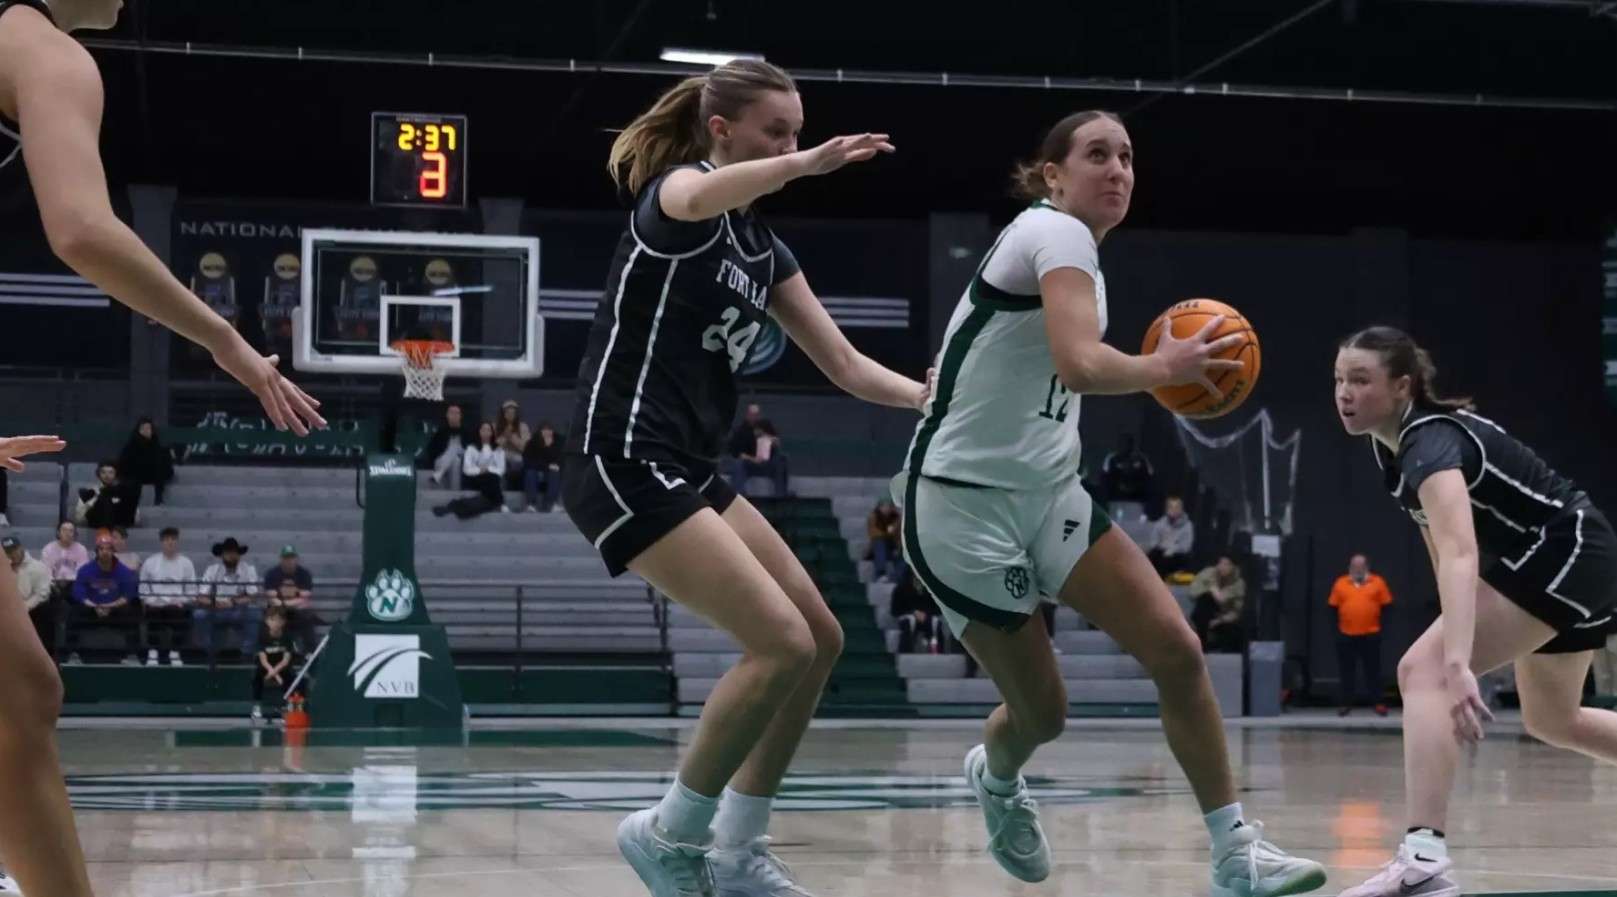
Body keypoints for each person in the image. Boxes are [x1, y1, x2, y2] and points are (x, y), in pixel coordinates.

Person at [895, 109, 1322, 894]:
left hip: (1047, 491)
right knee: (1043, 713)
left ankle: (1234, 852)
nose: (1117, 169)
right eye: (1097, 154)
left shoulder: (1077, 253)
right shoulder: (1052, 232)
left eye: (1126, 156)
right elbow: (1081, 365)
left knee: (1177, 651)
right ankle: (996, 776)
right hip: (959, 503)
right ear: (1052, 174)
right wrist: (1166, 367)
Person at [562, 59, 929, 897]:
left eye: (797, 132)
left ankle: (735, 848)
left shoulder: (765, 250)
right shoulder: (677, 198)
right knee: (780, 641)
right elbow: (698, 194)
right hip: (621, 455)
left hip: (689, 466)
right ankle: (669, 831)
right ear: (721, 131)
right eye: (776, 132)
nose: (791, 145)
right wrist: (808, 164)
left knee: (820, 638)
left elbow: (844, 363)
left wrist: (922, 397)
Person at [0, 1, 322, 891]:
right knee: (19, 695)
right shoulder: (42, 47)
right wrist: (228, 343)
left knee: (20, 692)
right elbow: (82, 229)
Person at [1333, 326, 1617, 897]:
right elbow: (1443, 555)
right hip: (1575, 558)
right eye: (1339, 379)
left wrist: (1457, 662)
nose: (1345, 393)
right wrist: (1455, 645)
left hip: (1566, 550)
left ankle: (1424, 858)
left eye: (1361, 380)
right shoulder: (1390, 448)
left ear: (1402, 386)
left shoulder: (1428, 441)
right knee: (1552, 719)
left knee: (1422, 671)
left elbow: (1462, 552)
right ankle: (1425, 862)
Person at [1328, 553, 1393, 717]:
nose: (1357, 569)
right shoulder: (1340, 583)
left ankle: (1378, 703)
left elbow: (1387, 607)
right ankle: (1345, 703)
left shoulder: (1377, 582)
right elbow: (1332, 609)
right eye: (1354, 566)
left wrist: (1381, 630)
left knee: (1373, 671)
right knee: (1346, 671)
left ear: (1367, 567)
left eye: (1360, 566)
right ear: (1349, 567)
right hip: (1346, 635)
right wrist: (1337, 632)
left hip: (1371, 635)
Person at [64, 532, 140, 664]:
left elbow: (127, 595)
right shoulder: (85, 570)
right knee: (73, 613)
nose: (105, 552)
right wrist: (95, 606)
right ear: (97, 551)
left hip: (115, 608)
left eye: (108, 549)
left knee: (133, 612)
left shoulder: (124, 571)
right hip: (92, 607)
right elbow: (79, 593)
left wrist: (110, 606)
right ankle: (73, 654)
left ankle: (132, 654)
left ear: (113, 551)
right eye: (101, 549)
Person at [137, 527, 194, 666]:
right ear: (161, 542)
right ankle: (153, 653)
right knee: (152, 613)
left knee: (183, 614)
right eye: (167, 540)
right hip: (156, 603)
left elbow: (192, 590)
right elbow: (143, 589)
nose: (170, 542)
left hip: (177, 604)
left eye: (173, 539)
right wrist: (150, 601)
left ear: (177, 541)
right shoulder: (150, 562)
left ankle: (175, 652)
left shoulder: (186, 563)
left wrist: (181, 601)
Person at [432, 422, 506, 519]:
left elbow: (501, 469)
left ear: (492, 433)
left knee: (492, 477)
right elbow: (467, 469)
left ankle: (494, 503)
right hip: (475, 478)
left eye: (488, 430)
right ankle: (500, 503)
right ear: (479, 432)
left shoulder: (498, 449)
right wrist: (480, 470)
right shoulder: (472, 448)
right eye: (483, 430)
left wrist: (488, 469)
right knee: (492, 479)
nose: (486, 432)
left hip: (492, 479)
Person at [1188, 555, 1247, 653]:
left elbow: (1237, 611)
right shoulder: (1208, 573)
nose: (1222, 567)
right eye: (1220, 563)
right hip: (1204, 612)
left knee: (1235, 631)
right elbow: (1193, 592)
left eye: (1227, 564)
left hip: (1224, 617)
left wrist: (1219, 620)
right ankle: (1202, 646)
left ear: (1234, 567)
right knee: (1206, 600)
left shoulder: (1239, 583)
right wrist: (1212, 589)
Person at [250, 606, 298, 723]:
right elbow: (263, 659)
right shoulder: (262, 636)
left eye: (279, 620)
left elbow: (285, 660)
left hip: (281, 666)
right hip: (267, 666)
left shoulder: (288, 637)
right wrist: (274, 674)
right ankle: (257, 707)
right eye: (272, 619)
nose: (276, 623)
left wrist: (275, 674)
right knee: (256, 676)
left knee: (291, 676)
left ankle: (288, 707)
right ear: (267, 621)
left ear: (283, 622)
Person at [117, 417, 174, 506]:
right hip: (135, 474)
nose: (146, 431)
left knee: (160, 466)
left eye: (148, 428)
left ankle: (158, 499)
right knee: (131, 479)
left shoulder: (155, 443)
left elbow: (159, 460)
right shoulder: (132, 444)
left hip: (151, 473)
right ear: (139, 430)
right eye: (143, 428)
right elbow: (124, 462)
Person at [421, 403, 473, 489]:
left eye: (457, 413)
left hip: (462, 460)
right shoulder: (440, 432)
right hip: (441, 461)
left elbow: (471, 451)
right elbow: (432, 450)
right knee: (455, 458)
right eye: (452, 413)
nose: (454, 415)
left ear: (460, 416)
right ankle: (455, 492)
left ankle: (438, 474)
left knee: (456, 456)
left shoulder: (467, 433)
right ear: (447, 415)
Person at [520, 421, 564, 513]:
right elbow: (528, 462)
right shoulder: (532, 443)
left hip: (550, 471)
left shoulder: (558, 442)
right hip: (536, 469)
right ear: (540, 432)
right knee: (530, 473)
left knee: (555, 473)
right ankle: (531, 504)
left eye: (549, 430)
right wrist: (547, 466)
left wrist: (548, 447)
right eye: (544, 430)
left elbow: (559, 460)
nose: (547, 432)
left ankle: (551, 504)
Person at [1147, 495, 1196, 576]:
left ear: (1181, 509)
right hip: (1161, 551)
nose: (1173, 510)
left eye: (1176, 507)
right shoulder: (1160, 523)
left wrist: (1172, 549)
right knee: (1153, 555)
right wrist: (1164, 547)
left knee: (1166, 559)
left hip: (1178, 555)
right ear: (1167, 509)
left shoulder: (1187, 525)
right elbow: (1153, 542)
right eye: (1171, 507)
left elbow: (1185, 546)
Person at [866, 498, 903, 583]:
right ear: (879, 507)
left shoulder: (896, 518)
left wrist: (898, 547)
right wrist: (888, 533)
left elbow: (899, 535)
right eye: (884, 506)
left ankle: (897, 577)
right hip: (877, 547)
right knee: (879, 542)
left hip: (892, 546)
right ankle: (880, 573)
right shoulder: (873, 516)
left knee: (903, 552)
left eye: (889, 506)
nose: (887, 508)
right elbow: (874, 533)